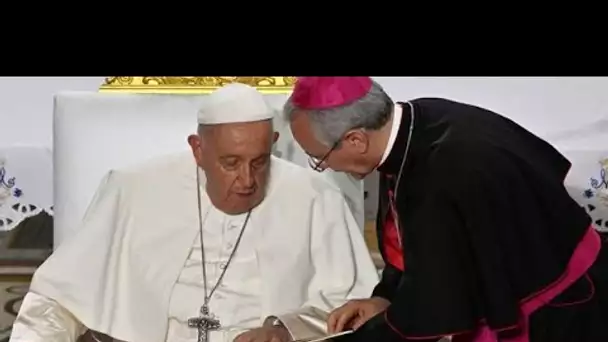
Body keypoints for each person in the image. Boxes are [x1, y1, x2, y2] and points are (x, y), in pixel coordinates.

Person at [9, 83, 379, 342]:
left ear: (274, 145)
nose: (247, 180)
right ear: (198, 149)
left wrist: (285, 328)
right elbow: (56, 300)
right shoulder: (133, 189)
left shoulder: (315, 199)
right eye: (230, 163)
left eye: (259, 161)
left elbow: (354, 306)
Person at [283, 77, 608, 342]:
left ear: (355, 140)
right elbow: (414, 246)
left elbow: (431, 304)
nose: (324, 168)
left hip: (555, 310)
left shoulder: (444, 173)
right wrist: (385, 297)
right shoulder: (414, 125)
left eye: (320, 158)